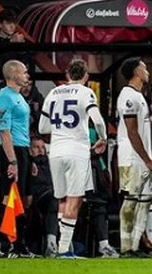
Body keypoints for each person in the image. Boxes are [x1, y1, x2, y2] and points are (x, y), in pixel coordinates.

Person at [38, 59, 108, 258]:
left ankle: (63, 246)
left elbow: (42, 127)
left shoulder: (53, 93)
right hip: (76, 150)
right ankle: (64, 249)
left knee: (62, 198)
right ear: (86, 76)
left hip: (56, 151)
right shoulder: (86, 93)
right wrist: (103, 138)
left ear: (68, 75)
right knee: (74, 199)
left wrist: (60, 128)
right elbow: (98, 121)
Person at [116, 57, 152, 257]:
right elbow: (132, 132)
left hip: (142, 158)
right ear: (136, 72)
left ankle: (135, 246)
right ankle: (125, 247)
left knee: (144, 201)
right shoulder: (128, 96)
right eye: (144, 68)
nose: (148, 72)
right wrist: (147, 160)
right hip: (132, 158)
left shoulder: (138, 95)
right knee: (131, 199)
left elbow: (140, 127)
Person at [0, 60, 35, 257]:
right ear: (13, 74)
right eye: (24, 72)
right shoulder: (4, 98)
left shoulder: (19, 97)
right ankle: (6, 245)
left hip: (23, 150)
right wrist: (12, 161)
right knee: (9, 196)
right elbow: (4, 133)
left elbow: (22, 129)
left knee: (24, 198)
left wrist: (29, 158)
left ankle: (20, 244)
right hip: (12, 151)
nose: (27, 75)